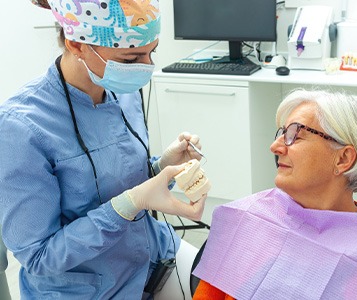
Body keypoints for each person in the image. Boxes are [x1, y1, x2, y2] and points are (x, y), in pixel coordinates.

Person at [0, 0, 208, 298]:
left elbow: (116, 178)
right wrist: (128, 205)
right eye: (130, 59)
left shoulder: (122, 91)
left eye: (152, 52)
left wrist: (161, 166)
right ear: (76, 44)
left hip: (152, 257)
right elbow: (39, 257)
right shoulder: (20, 128)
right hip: (88, 287)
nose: (146, 67)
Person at [192, 89, 357, 300]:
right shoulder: (246, 219)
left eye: (295, 136)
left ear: (343, 159)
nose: (275, 147)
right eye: (281, 134)